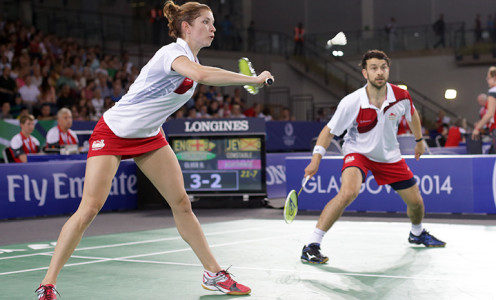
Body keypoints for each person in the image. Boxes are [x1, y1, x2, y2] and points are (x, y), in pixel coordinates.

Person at [35, 1, 274, 299]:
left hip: (149, 136)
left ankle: (213, 274)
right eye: (206, 22)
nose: (213, 28)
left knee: (182, 203)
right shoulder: (171, 53)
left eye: (212, 23)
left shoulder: (190, 59)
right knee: (89, 208)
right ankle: (48, 283)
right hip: (113, 132)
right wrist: (252, 79)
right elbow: (202, 74)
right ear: (186, 27)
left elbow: (199, 73)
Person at [300, 50, 445, 265]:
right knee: (348, 192)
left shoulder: (401, 96)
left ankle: (417, 233)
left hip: (389, 156)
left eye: (383, 67)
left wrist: (419, 140)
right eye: (374, 68)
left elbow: (412, 114)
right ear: (364, 73)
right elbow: (328, 131)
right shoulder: (352, 102)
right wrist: (316, 159)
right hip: (358, 153)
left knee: (416, 203)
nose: (379, 72)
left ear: (388, 70)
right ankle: (312, 245)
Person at [472, 66, 496, 153]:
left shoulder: (493, 91)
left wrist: (477, 128)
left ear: (494, 78)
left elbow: (490, 114)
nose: (487, 80)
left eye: (488, 77)